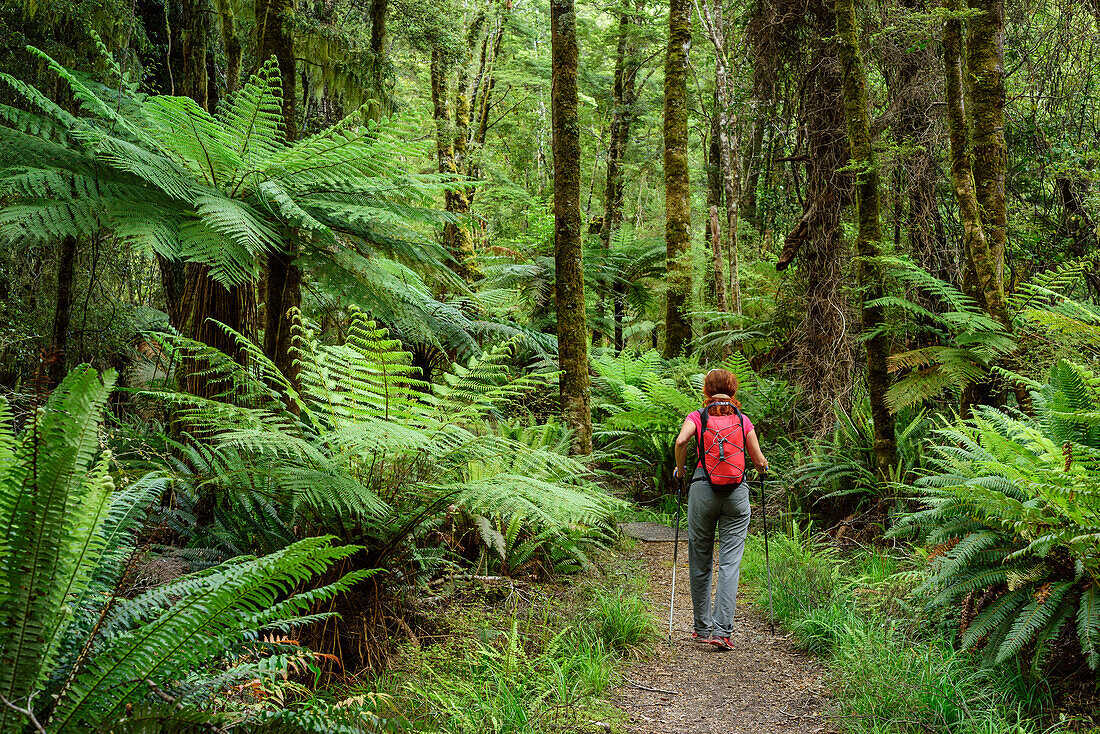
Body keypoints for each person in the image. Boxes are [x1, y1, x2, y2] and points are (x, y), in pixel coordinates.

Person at [672, 368, 768, 650]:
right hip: (736, 494)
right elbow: (758, 460)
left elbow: (681, 441)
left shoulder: (697, 418)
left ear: (706, 391)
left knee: (700, 559)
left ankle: (702, 628)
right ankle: (722, 631)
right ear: (733, 390)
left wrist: (680, 472)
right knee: (729, 564)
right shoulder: (742, 420)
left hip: (702, 490)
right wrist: (763, 468)